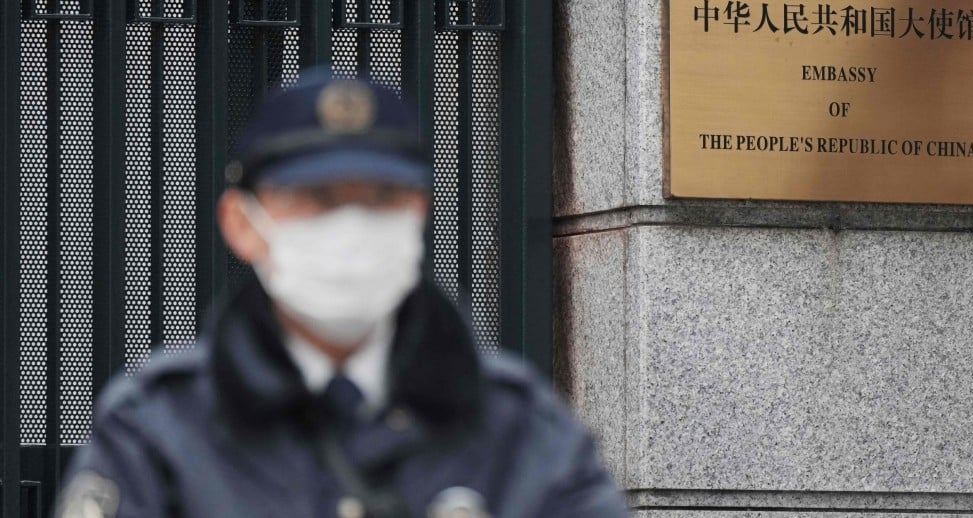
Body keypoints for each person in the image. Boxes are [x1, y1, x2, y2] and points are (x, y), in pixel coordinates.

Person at [55, 71, 629, 518]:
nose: (353, 225)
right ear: (242, 223)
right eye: (317, 199)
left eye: (383, 198)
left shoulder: (517, 426)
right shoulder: (159, 427)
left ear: (419, 212)